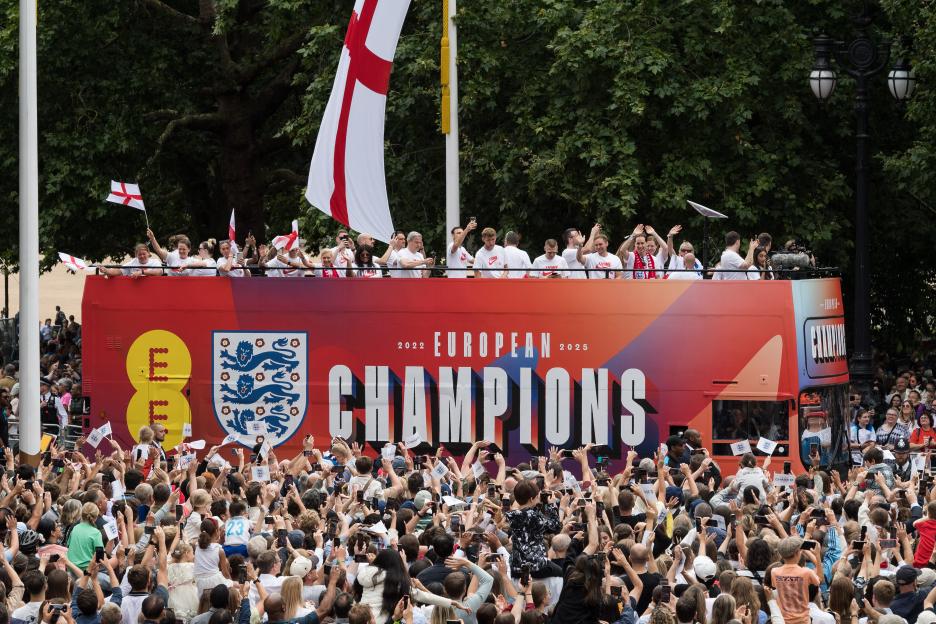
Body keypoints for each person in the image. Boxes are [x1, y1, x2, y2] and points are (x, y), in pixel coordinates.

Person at [770, 537, 819, 624]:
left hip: (783, 619)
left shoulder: (774, 572)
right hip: (803, 620)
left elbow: (775, 586)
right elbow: (818, 581)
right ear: (797, 553)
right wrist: (817, 556)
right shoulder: (806, 572)